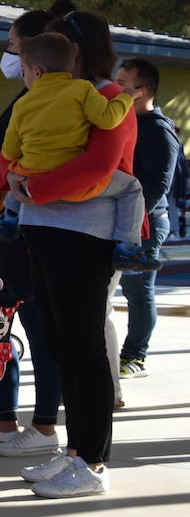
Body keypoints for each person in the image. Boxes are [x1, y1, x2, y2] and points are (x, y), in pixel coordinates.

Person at [5, 7, 133, 498]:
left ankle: (94, 461)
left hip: (84, 235)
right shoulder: (49, 95)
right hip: (45, 230)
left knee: (84, 348)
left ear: (76, 48)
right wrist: (20, 179)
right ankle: (77, 450)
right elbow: (7, 151)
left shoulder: (103, 97)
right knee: (60, 344)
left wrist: (29, 187)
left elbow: (99, 166)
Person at [0, 2, 68, 459]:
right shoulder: (36, 96)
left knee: (35, 330)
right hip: (7, 229)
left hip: (23, 233)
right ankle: (8, 420)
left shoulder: (41, 98)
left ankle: (43, 425)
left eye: (11, 46)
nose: (8, 56)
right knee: (3, 324)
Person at [0, 32, 153, 273]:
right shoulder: (81, 90)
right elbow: (108, 119)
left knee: (16, 170)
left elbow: (9, 150)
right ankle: (127, 246)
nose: (23, 76)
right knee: (132, 187)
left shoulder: (23, 103)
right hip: (71, 181)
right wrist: (126, 97)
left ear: (37, 71)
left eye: (23, 70)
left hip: (31, 176)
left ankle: (8, 218)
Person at [113, 58, 180, 379]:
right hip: (125, 221)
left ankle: (135, 356)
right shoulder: (124, 122)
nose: (114, 88)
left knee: (138, 293)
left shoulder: (159, 131)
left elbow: (158, 186)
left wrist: (132, 223)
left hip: (146, 224)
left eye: (122, 84)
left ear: (139, 92)